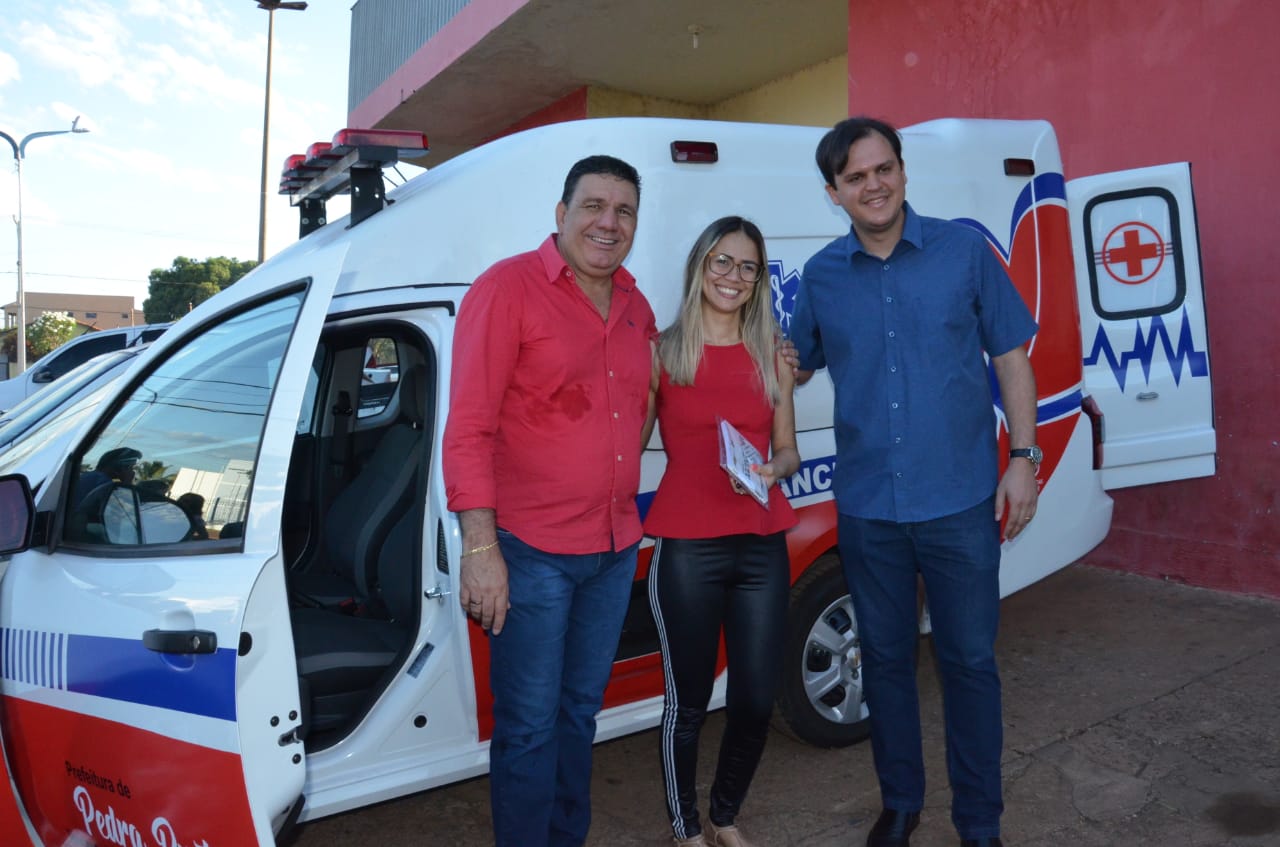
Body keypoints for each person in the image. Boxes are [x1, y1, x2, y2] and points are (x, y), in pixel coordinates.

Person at [790, 117, 1039, 847]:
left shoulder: (964, 251)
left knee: (969, 663)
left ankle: (980, 821)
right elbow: (793, 365)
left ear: (902, 171)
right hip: (870, 509)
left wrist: (1023, 459)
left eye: (883, 169)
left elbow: (1011, 358)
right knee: (886, 662)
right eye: (855, 177)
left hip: (960, 501)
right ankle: (901, 803)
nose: (873, 185)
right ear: (834, 193)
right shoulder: (821, 277)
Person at [442, 155, 656, 847]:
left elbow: (641, 405)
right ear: (562, 214)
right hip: (531, 553)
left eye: (624, 211)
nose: (608, 222)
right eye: (594, 205)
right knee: (530, 726)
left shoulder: (637, 306)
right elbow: (467, 429)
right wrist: (481, 550)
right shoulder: (506, 289)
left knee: (578, 715)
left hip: (613, 548)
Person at [642, 216, 800, 847]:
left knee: (757, 698)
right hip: (687, 546)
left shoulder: (773, 355)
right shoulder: (662, 352)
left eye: (748, 267)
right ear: (700, 266)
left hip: (761, 541)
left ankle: (724, 815)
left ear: (759, 280)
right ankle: (685, 829)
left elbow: (787, 450)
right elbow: (629, 444)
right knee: (688, 702)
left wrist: (772, 469)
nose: (734, 276)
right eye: (722, 261)